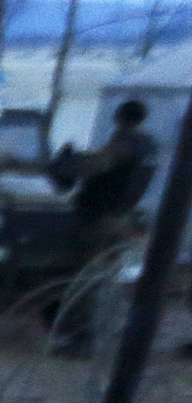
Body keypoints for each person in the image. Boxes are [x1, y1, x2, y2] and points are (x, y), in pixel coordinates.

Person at [49, 99, 158, 358]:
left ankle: (81, 340)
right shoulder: (148, 146)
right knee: (104, 278)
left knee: (85, 279)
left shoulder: (126, 145)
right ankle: (95, 334)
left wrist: (70, 160)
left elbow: (96, 164)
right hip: (120, 217)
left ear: (118, 118)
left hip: (100, 220)